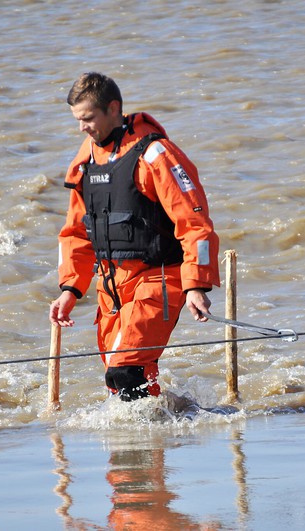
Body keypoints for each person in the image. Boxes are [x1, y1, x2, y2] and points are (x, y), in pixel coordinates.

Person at [49, 72, 220, 400]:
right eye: (77, 120)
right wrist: (70, 290)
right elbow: (74, 234)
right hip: (111, 289)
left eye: (87, 118)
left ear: (114, 109)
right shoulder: (85, 163)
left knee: (126, 370)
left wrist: (196, 285)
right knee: (118, 382)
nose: (81, 128)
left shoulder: (155, 154)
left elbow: (194, 222)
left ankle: (146, 439)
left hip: (158, 278)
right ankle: (152, 439)